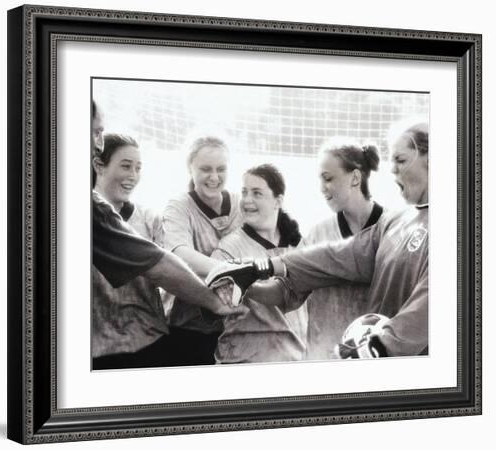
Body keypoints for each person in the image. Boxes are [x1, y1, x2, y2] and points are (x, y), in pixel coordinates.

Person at [206, 120, 429, 358]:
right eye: (391, 160)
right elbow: (336, 257)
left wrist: (379, 347)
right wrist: (261, 268)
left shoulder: (456, 229)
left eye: (401, 160)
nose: (392, 169)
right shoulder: (395, 222)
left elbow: (432, 304)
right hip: (336, 361)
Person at [90, 104, 243, 369]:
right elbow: (166, 264)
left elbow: (170, 266)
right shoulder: (91, 214)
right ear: (99, 166)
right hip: (102, 349)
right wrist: (218, 293)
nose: (133, 175)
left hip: (151, 340)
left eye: (138, 168)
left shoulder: (149, 218)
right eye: (126, 166)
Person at [211, 164, 308, 364]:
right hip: (244, 361)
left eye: (257, 193)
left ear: (278, 201)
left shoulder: (300, 245)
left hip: (295, 359)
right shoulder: (228, 249)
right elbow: (220, 304)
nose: (247, 200)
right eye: (244, 192)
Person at [162, 136, 243, 364]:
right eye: (205, 169)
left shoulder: (241, 204)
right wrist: (232, 270)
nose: (214, 177)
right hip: (187, 326)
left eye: (221, 169)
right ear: (190, 167)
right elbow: (179, 253)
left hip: (235, 325)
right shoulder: (178, 206)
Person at [303, 139, 384, 359]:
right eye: (320, 179)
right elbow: (289, 291)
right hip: (322, 360)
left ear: (355, 178)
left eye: (328, 178)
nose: (322, 188)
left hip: (375, 363)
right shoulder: (317, 235)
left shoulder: (394, 231)